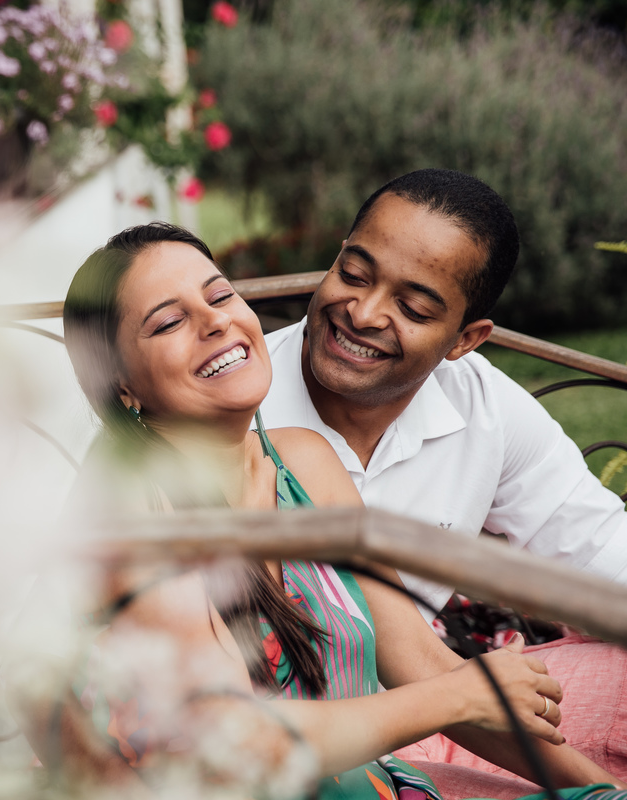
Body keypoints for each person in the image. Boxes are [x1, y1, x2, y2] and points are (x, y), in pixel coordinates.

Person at [27, 221, 625, 800]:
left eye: (220, 295)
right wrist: (463, 696)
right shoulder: (137, 515)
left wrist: (599, 787)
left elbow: (415, 660)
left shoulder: (303, 462)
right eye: (169, 323)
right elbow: (235, 745)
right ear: (121, 386)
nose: (216, 322)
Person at [256, 169, 627, 790]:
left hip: (447, 718)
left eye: (414, 306)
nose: (363, 313)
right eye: (353, 273)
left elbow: (604, 559)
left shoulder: (486, 410)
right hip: (304, 749)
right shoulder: (237, 413)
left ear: (465, 339)